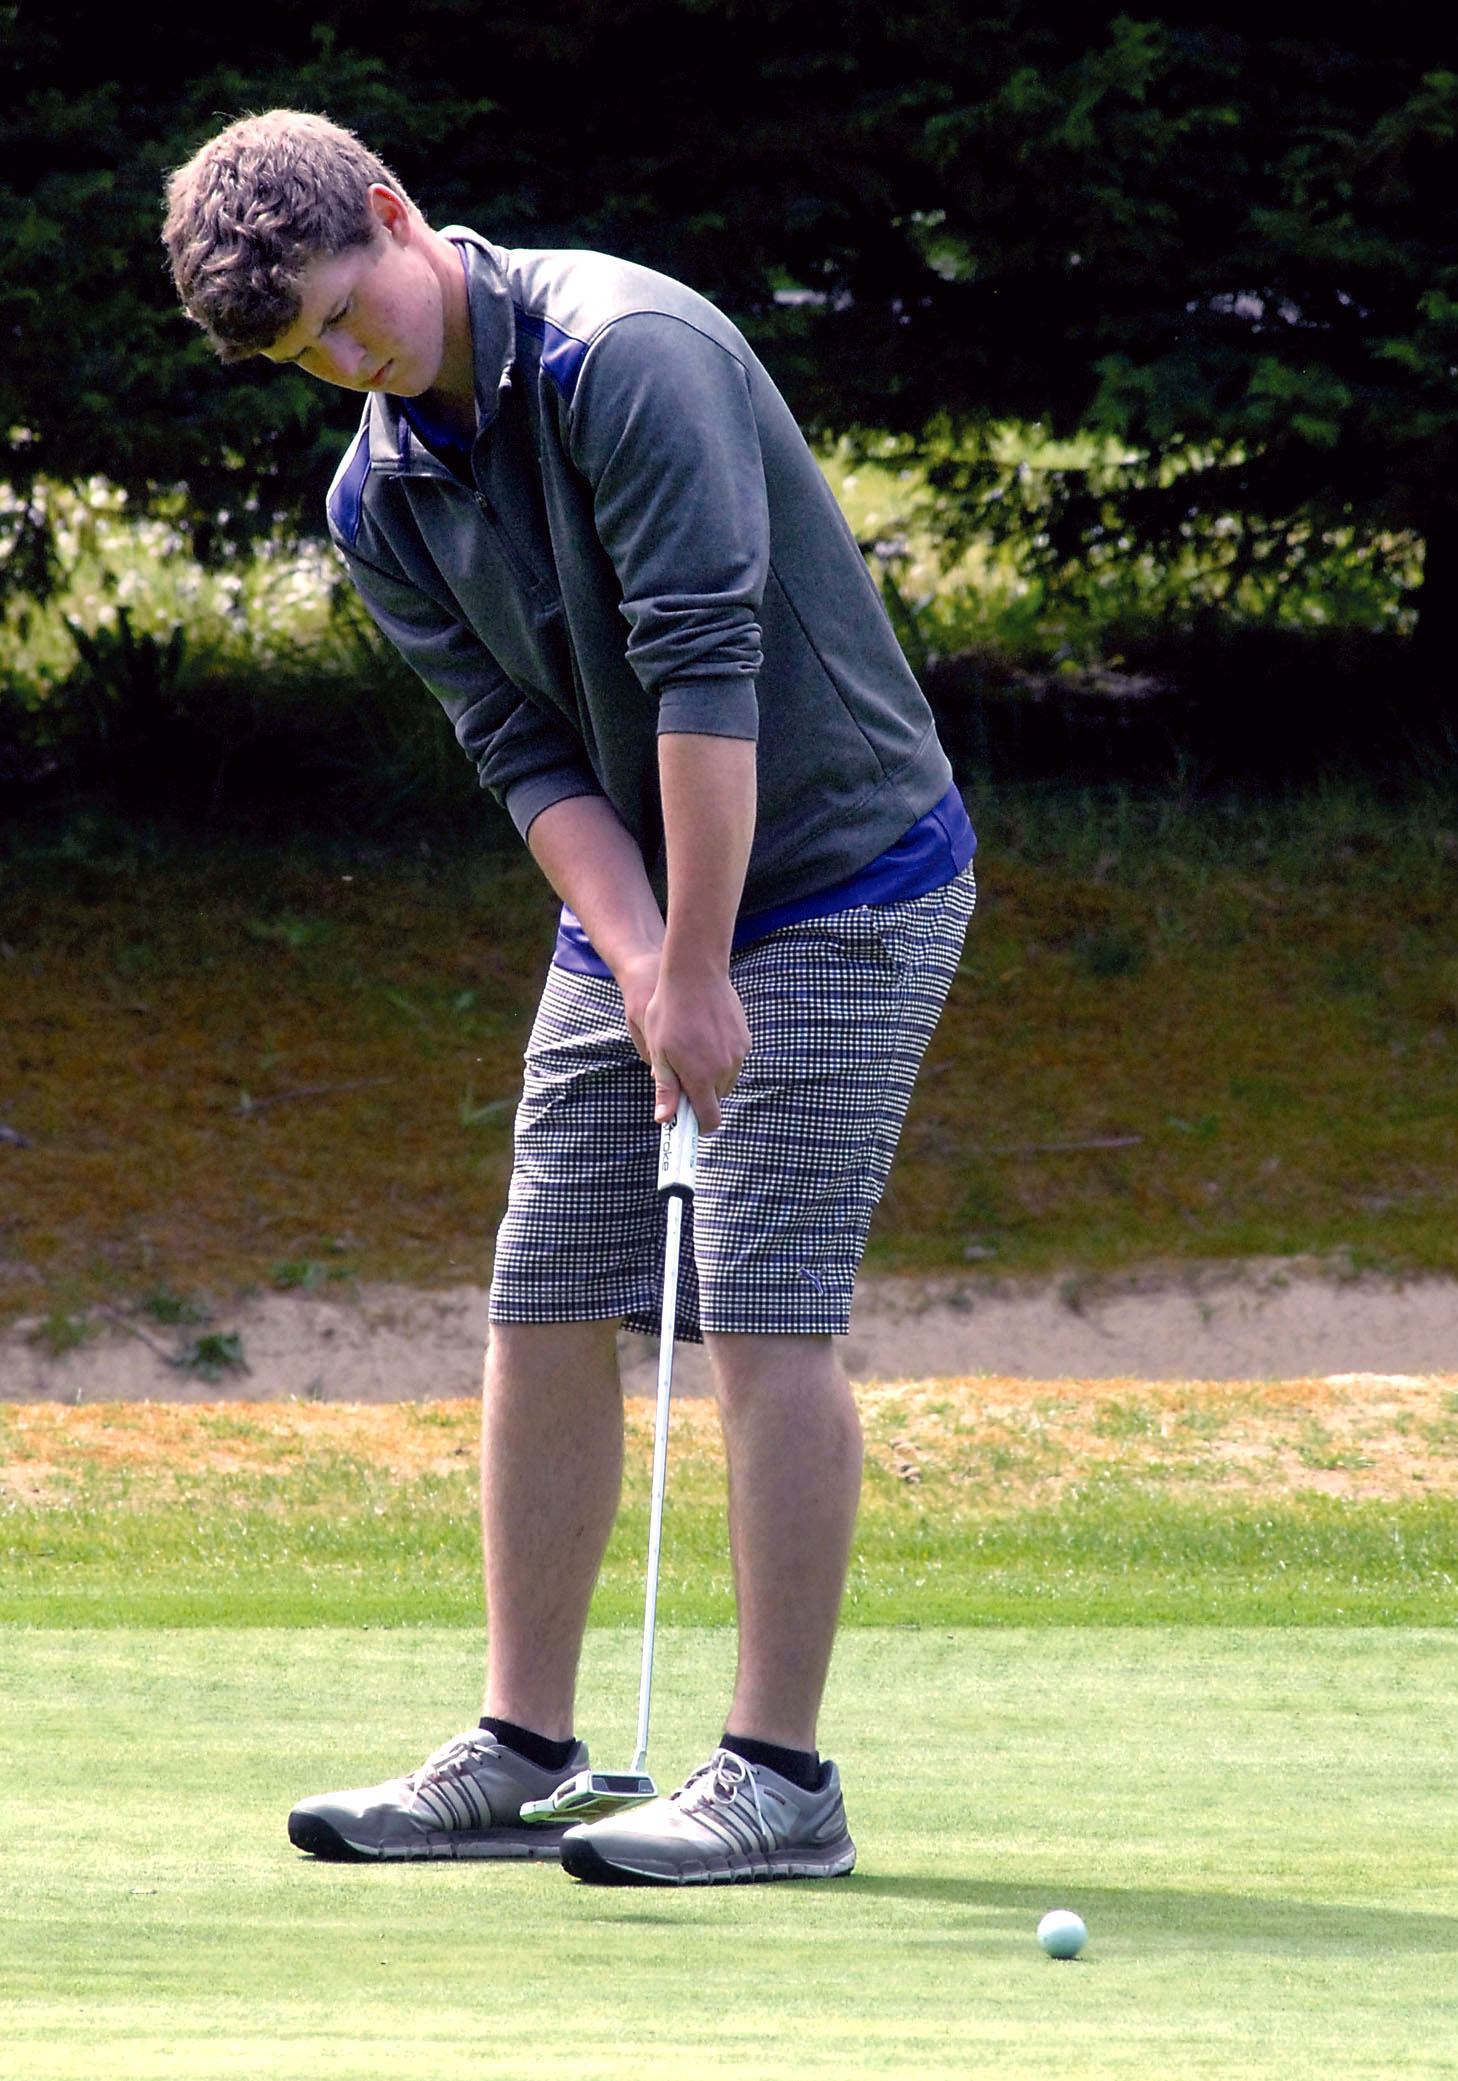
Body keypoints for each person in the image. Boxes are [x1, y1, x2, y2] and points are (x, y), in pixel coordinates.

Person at [163, 109, 976, 1887]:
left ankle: (777, 1778)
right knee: (543, 1286)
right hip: (637, 892)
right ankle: (527, 1748)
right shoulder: (377, 492)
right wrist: (637, 953)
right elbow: (521, 746)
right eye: (305, 354)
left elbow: (705, 664)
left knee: (761, 1300)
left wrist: (698, 965)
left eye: (346, 312)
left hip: (841, 871)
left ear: (394, 213)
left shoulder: (632, 355)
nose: (345, 361)